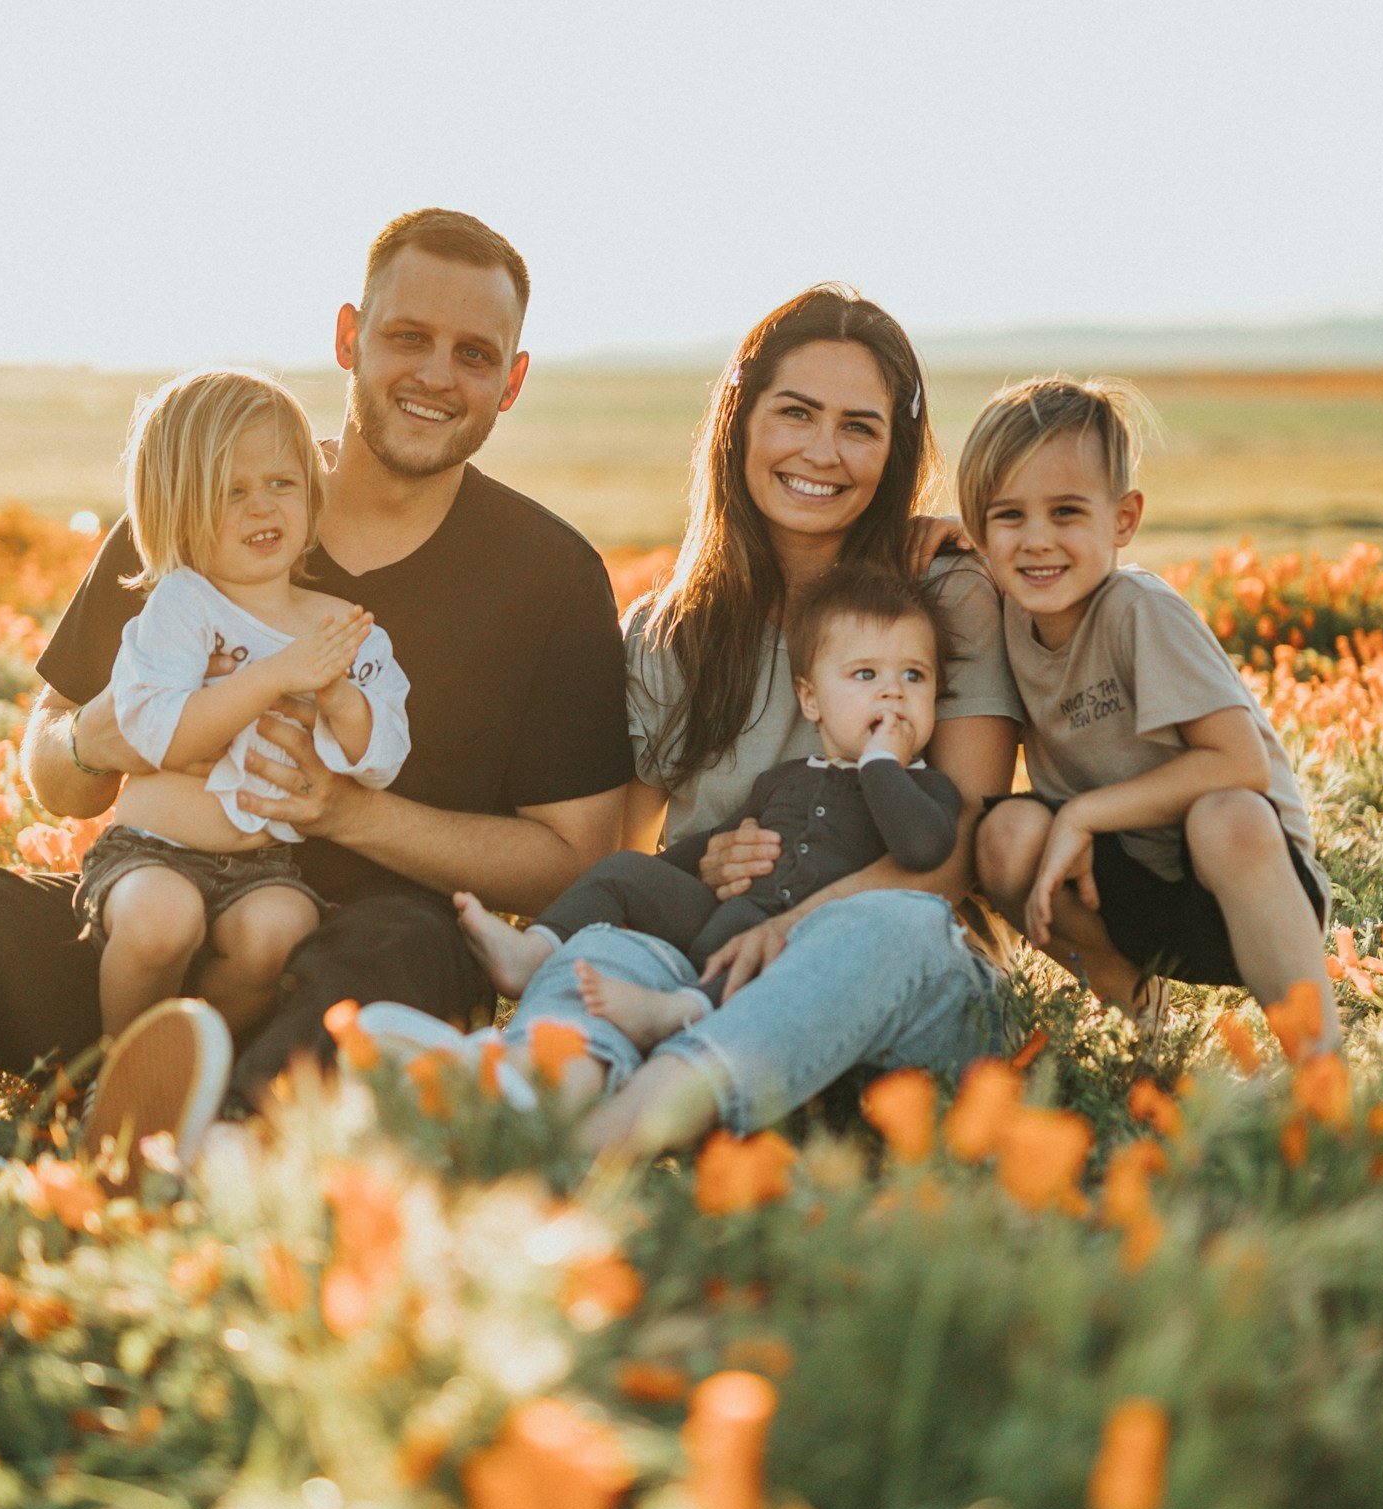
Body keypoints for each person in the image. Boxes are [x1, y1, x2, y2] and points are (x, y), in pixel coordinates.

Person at [0, 208, 633, 1156]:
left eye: (474, 353)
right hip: (147, 935)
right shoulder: (206, 504)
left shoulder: (547, 576)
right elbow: (56, 761)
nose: (437, 374)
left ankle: (214, 1143)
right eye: (408, 338)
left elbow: (573, 854)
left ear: (511, 381)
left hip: (345, 965)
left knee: (404, 946)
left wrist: (346, 814)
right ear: (350, 338)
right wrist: (93, 740)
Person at [360, 282, 1022, 1153]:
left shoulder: (941, 595)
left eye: (858, 427)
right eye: (795, 413)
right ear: (740, 421)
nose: (822, 452)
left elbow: (959, 853)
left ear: (892, 451)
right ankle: (532, 1088)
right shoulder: (669, 632)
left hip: (904, 987)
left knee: (879, 927)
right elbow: (619, 858)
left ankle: (617, 1134)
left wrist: (789, 926)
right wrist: (701, 863)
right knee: (612, 945)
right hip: (708, 971)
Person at [958, 376, 1340, 1047]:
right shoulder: (1006, 622)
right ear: (978, 532)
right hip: (1125, 891)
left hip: (1240, 888)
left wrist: (1083, 812)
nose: (1036, 540)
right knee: (1003, 834)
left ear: (1124, 520)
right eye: (1009, 516)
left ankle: (1319, 1066)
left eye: (1067, 512)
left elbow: (1238, 763)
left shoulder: (1138, 611)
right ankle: (1139, 1025)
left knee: (1228, 815)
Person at [457, 560, 961, 1054]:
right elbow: (711, 843)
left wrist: (881, 766)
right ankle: (535, 951)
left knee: (765, 955)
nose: (893, 691)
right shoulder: (784, 778)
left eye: (915, 676)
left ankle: (679, 1010)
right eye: (866, 674)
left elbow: (922, 847)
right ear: (811, 700)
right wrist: (673, 872)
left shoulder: (928, 791)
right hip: (721, 918)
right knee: (625, 872)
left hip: (804, 947)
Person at [80, 368, 409, 1043]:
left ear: (312, 496)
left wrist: (337, 696)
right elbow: (160, 737)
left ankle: (195, 1066)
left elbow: (380, 760)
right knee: (161, 922)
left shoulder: (344, 626)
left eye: (280, 484)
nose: (262, 508)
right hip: (150, 851)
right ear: (177, 509)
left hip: (263, 866)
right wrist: (273, 676)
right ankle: (117, 1069)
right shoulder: (181, 605)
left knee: (279, 933)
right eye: (231, 492)